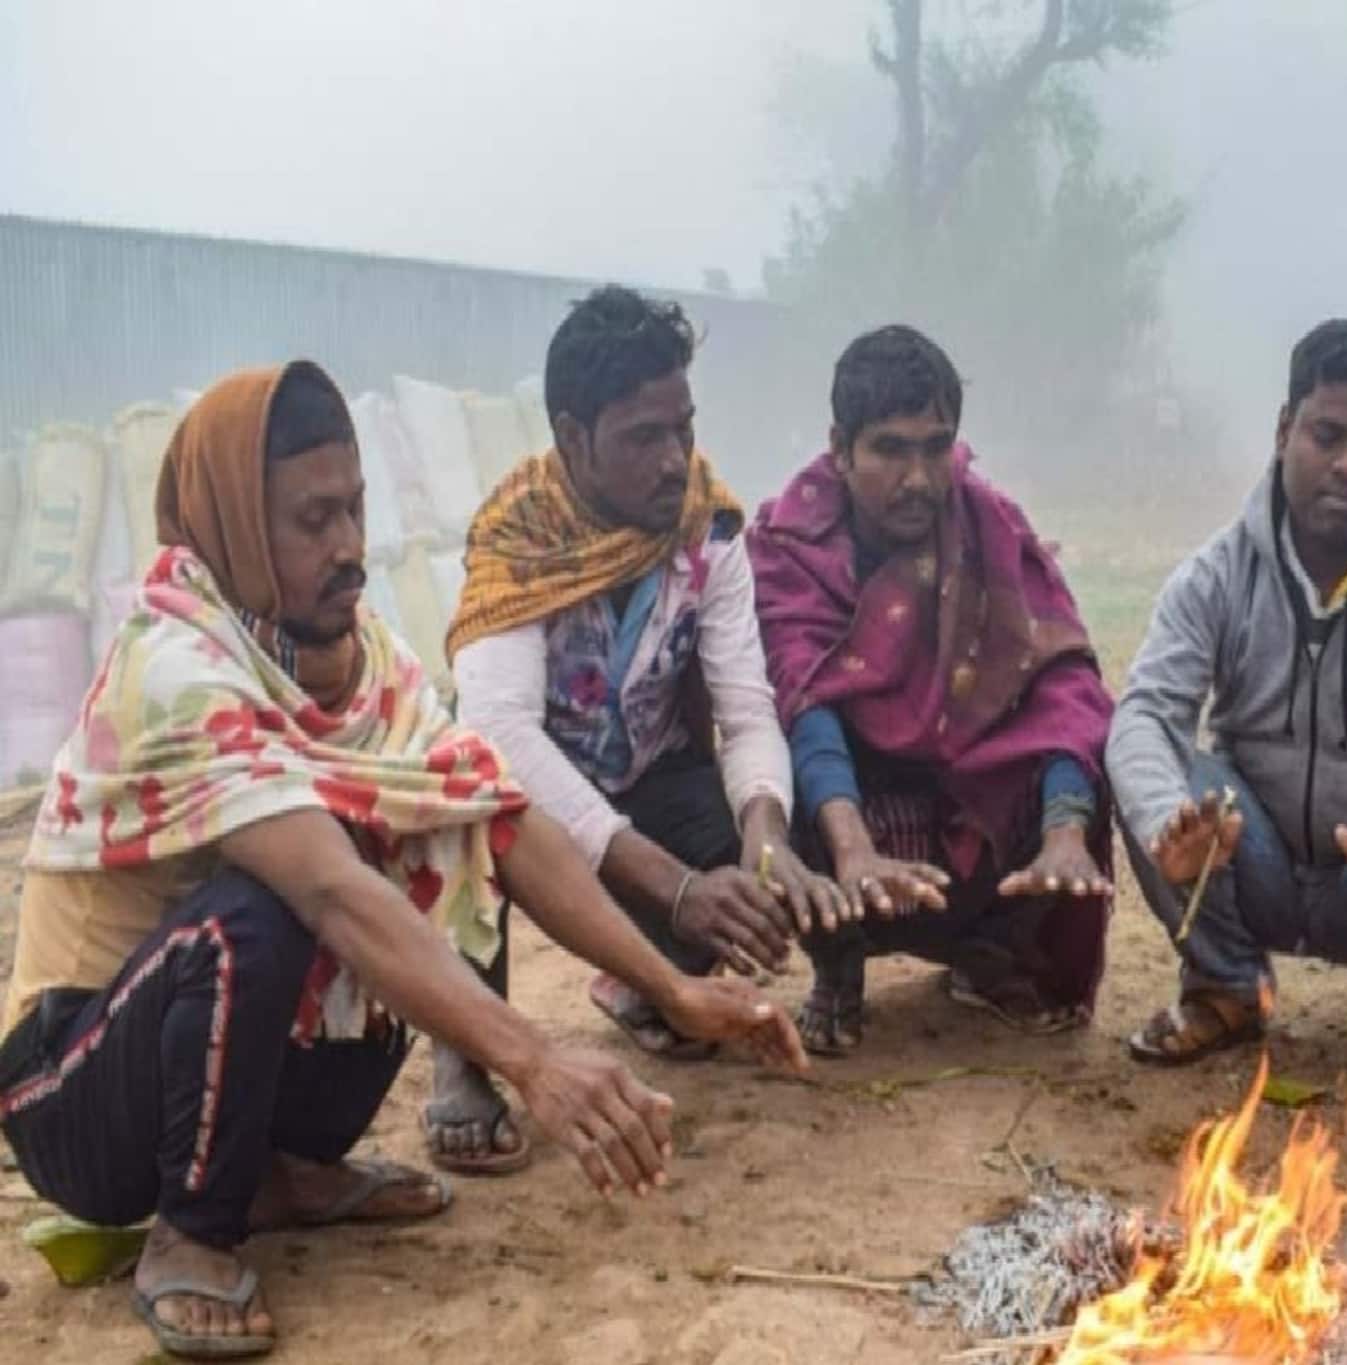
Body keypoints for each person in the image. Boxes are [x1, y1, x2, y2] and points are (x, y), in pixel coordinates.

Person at [0, 363, 803, 1359]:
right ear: (239, 529)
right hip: (73, 1095)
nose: (348, 549)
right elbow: (327, 894)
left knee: (423, 840)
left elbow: (498, 819)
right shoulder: (175, 667)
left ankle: (279, 1173)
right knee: (262, 909)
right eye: (312, 521)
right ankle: (190, 1234)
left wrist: (671, 986)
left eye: (355, 509)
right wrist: (536, 1059)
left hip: (199, 1068)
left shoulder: (363, 657)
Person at [434, 287, 839, 1169]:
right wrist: (675, 886)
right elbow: (501, 735)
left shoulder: (709, 524)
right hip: (527, 804)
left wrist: (765, 843)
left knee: (775, 840)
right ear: (573, 438)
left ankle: (644, 987)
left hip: (655, 778)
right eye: (642, 438)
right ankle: (464, 1052)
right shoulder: (518, 540)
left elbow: (745, 706)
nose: (674, 461)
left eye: (682, 429)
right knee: (463, 802)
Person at [1108, 319, 1347, 1096]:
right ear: (1285, 429)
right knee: (1155, 767)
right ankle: (1225, 988)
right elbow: (1143, 715)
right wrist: (1167, 824)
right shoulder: (1214, 575)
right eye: (1327, 435)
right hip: (1247, 863)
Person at [747, 325, 1115, 1056]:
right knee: (773, 770)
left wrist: (1066, 832)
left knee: (1085, 746)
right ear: (840, 449)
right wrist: (853, 853)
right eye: (890, 448)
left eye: (935, 446)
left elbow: (1063, 680)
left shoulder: (990, 523)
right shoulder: (790, 547)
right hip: (851, 809)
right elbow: (806, 698)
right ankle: (839, 959)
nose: (918, 476)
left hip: (966, 803)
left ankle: (995, 954)